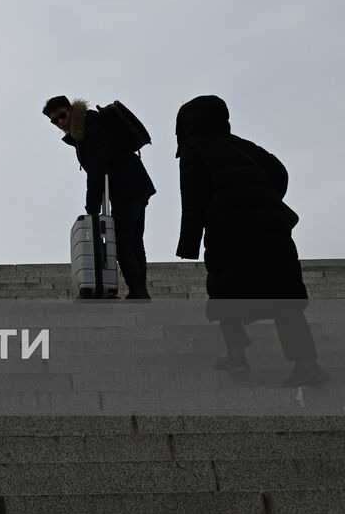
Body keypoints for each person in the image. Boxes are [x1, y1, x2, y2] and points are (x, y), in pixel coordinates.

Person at [174, 95, 328, 386]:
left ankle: (236, 354)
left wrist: (189, 242)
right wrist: (263, 199)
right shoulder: (243, 145)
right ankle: (307, 364)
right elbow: (278, 172)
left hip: (229, 230)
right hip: (272, 229)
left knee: (224, 290)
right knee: (285, 297)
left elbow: (193, 198)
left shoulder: (195, 148)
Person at [43, 96, 156, 299]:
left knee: (122, 241)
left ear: (71, 110)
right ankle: (140, 290)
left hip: (127, 186)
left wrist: (92, 208)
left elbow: (96, 169)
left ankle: (138, 290)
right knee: (133, 240)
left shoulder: (91, 127)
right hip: (134, 185)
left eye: (62, 115)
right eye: (54, 120)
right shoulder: (85, 129)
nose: (60, 122)